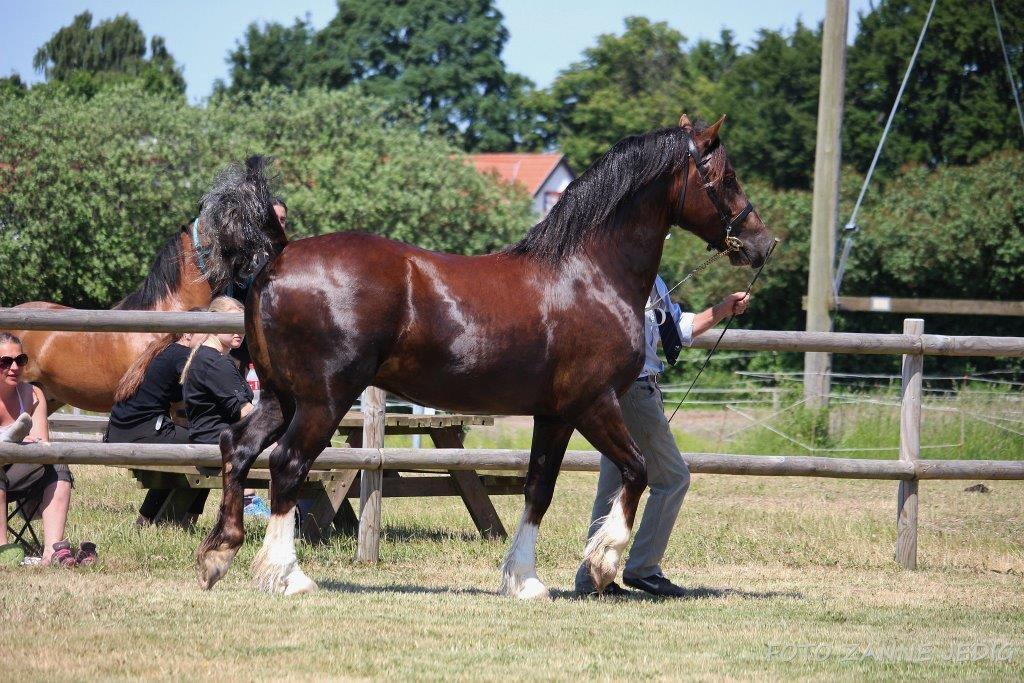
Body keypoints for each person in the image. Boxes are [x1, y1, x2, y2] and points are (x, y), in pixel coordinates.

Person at [575, 278, 750, 598]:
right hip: (634, 389)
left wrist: (723, 309)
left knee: (615, 481)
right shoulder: (621, 275)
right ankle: (643, 568)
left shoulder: (652, 278)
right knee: (672, 478)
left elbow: (677, 328)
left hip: (631, 389)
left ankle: (591, 579)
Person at [0, 332, 95, 566]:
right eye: (5, 362)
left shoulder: (33, 394)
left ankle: (52, 552)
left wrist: (28, 446)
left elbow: (42, 445)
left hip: (18, 472)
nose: (14, 367)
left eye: (20, 360)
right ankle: (2, 550)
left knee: (57, 463)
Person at [106, 327, 201, 526]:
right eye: (207, 335)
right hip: (142, 433)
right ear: (188, 334)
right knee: (208, 447)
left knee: (191, 448)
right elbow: (205, 390)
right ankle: (186, 519)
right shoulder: (182, 354)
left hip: (122, 432)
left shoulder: (165, 350)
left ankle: (146, 519)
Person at [180, 297, 266, 516]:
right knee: (299, 451)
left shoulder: (208, 357)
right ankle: (302, 521)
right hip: (221, 442)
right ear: (215, 323)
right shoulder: (215, 363)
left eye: (242, 325)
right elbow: (246, 413)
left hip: (211, 437)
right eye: (233, 324)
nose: (240, 331)